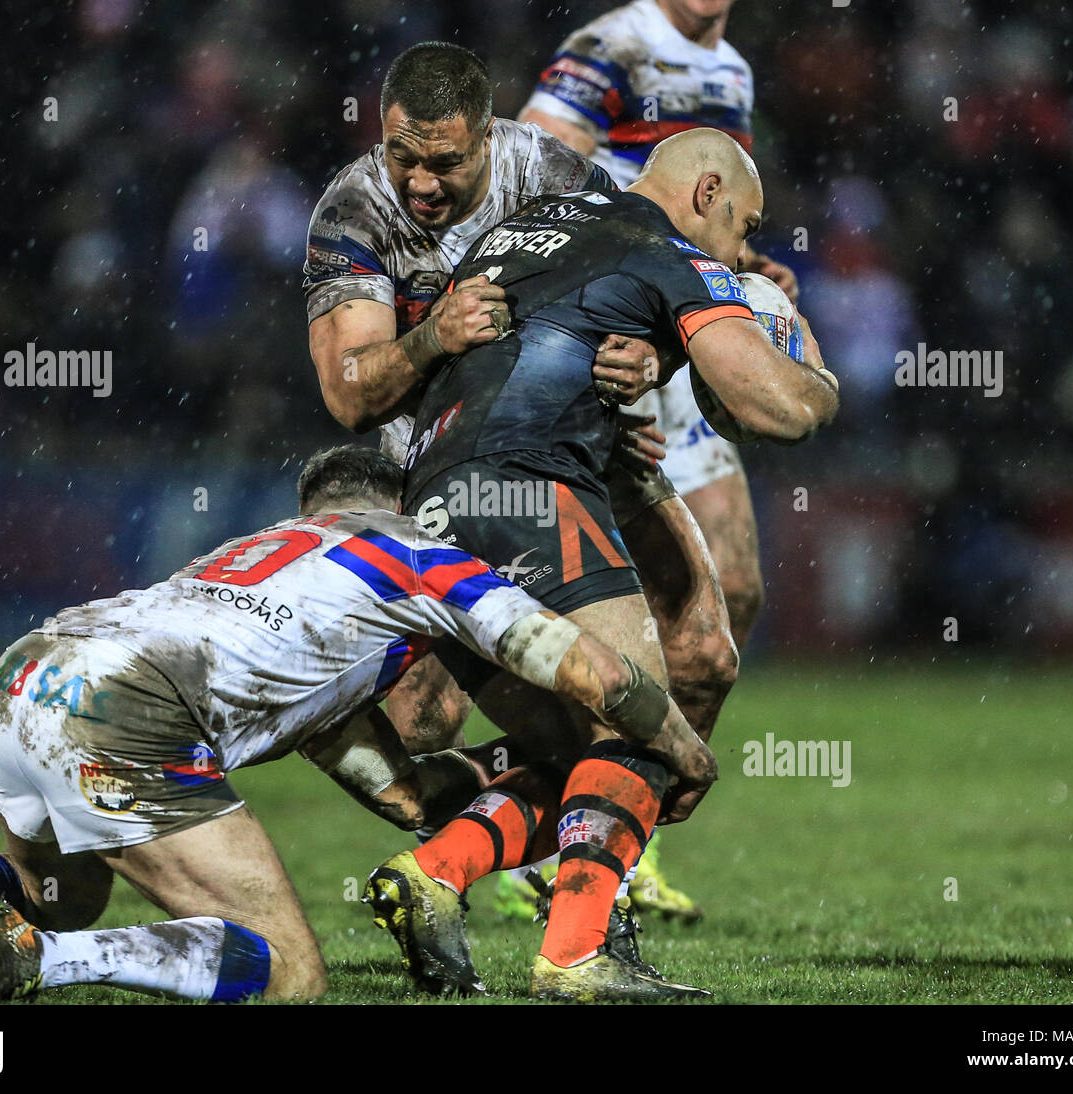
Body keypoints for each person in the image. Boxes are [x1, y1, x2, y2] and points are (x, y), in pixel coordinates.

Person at [0, 445, 714, 1004]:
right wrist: (677, 744)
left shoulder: (260, 567)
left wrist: (500, 775)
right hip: (123, 706)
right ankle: (44, 964)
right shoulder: (409, 550)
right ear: (402, 503)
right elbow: (579, 663)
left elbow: (407, 797)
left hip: (29, 667)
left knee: (58, 894)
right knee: (290, 972)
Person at [368, 128, 838, 1002]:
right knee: (638, 724)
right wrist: (811, 361)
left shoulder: (542, 223)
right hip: (531, 486)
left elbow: (553, 325)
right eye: (745, 225)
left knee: (581, 741)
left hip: (433, 507)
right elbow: (774, 408)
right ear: (706, 194)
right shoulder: (672, 255)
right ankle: (577, 955)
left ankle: (435, 870)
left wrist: (649, 357)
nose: (745, 251)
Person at [304, 40, 737, 924]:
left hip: (572, 446)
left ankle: (585, 858)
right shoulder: (354, 210)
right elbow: (349, 395)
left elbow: (654, 279)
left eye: (445, 162)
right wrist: (431, 339)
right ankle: (563, 857)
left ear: (489, 142)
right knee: (426, 729)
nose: (419, 182)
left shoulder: (553, 173)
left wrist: (649, 359)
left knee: (699, 654)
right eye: (403, 157)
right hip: (423, 465)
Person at [518, 0, 796, 918]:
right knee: (589, 618)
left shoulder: (735, 71)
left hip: (682, 333)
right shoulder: (613, 45)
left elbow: (715, 196)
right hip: (617, 327)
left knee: (737, 587)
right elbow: (533, 168)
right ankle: (550, 842)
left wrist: (747, 262)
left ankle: (615, 841)